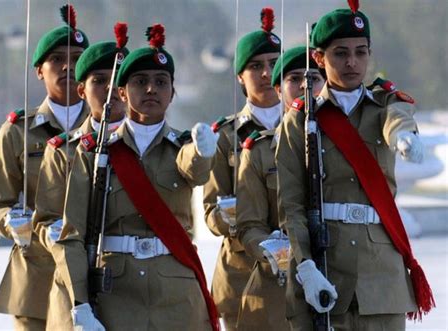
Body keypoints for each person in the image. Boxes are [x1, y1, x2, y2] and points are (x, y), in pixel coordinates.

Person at [50, 24, 220, 331]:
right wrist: (80, 305)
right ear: (122, 93)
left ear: (173, 92)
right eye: (140, 82)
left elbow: (193, 170)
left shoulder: (182, 146)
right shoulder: (94, 153)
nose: (151, 89)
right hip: (116, 294)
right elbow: (71, 236)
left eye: (161, 82)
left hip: (176, 294)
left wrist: (203, 152)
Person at [276, 4, 434, 330]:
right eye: (340, 53)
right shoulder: (302, 119)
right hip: (326, 266)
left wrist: (404, 136)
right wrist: (305, 267)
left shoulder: (385, 105)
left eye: (360, 52)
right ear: (319, 59)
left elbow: (398, 119)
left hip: (381, 274)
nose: (352, 62)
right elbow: (291, 205)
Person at [0, 5, 89, 329]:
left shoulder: (109, 130)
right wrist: (17, 224)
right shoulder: (17, 132)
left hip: (95, 270)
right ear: (39, 71)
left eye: (76, 59)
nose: (67, 67)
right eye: (57, 59)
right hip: (37, 275)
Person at [32, 26, 129, 330]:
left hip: (136, 291)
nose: (110, 89)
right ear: (82, 89)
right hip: (74, 280)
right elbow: (47, 219)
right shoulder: (63, 150)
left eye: (118, 81)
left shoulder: (153, 146)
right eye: (99, 81)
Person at [203, 7, 282, 330]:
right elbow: (209, 211)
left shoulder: (303, 129)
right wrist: (231, 215)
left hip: (299, 272)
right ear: (240, 76)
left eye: (274, 65)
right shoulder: (225, 136)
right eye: (255, 66)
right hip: (243, 275)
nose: (266, 74)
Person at [236, 45, 324, 331]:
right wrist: (271, 249)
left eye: (314, 78)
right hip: (281, 287)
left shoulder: (344, 145)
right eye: (294, 78)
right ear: (278, 89)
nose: (304, 86)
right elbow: (249, 224)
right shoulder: (259, 150)